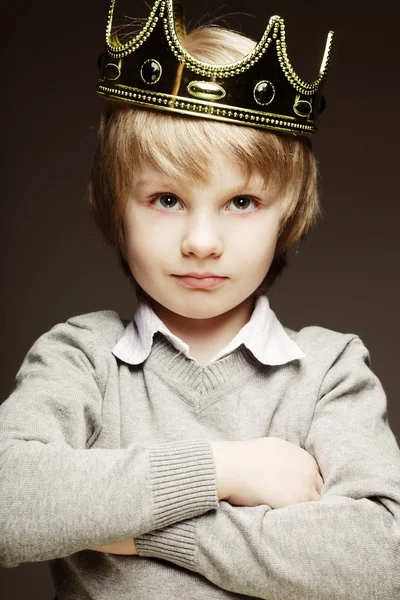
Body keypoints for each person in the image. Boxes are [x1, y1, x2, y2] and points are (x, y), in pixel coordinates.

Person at [1, 0, 399, 598]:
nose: (202, 242)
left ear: (286, 213)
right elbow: (9, 504)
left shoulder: (328, 371)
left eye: (241, 202)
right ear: (117, 206)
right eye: (166, 199)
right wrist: (225, 468)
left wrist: (145, 532)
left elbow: (382, 558)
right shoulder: (80, 356)